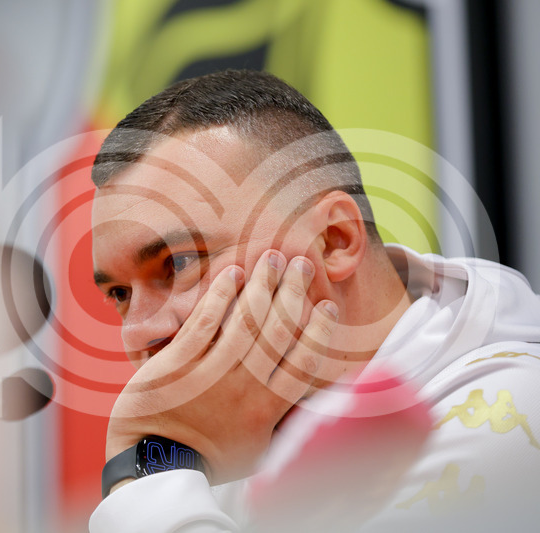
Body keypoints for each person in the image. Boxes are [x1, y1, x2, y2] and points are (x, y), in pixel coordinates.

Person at [87, 69, 540, 532]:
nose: (138, 333)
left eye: (179, 262)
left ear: (333, 240)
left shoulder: (509, 419)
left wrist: (147, 473)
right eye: (119, 293)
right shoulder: (224, 444)